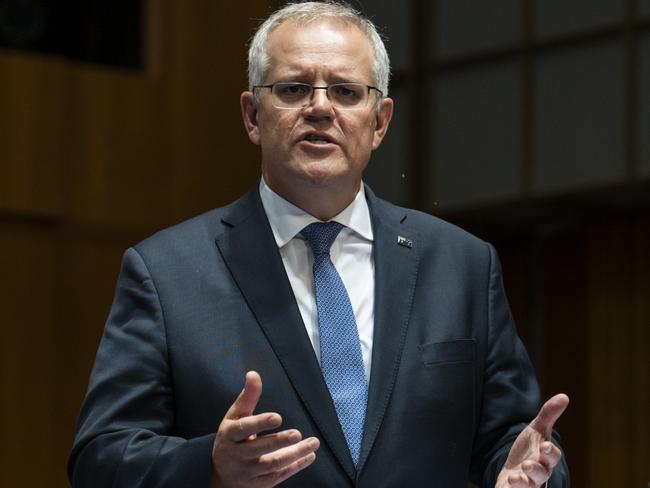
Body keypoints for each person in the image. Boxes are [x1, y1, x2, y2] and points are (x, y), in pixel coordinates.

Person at [68, 2, 570, 487]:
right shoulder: (166, 272)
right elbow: (101, 456)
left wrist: (526, 472)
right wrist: (211, 465)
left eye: (348, 92)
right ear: (251, 115)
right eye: (293, 88)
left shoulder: (462, 264)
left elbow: (515, 439)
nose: (321, 107)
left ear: (379, 122)